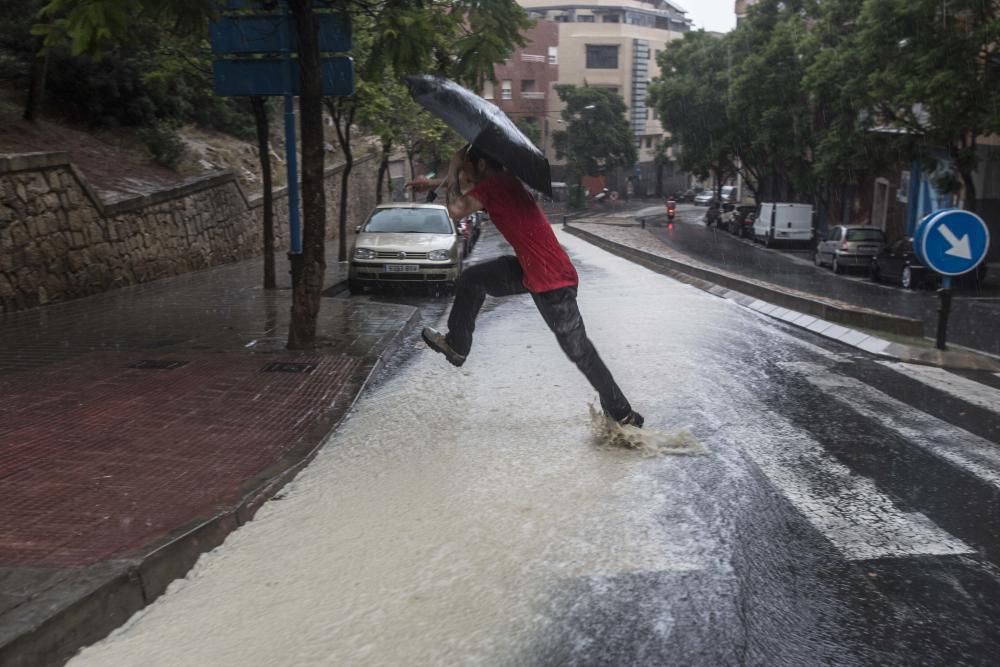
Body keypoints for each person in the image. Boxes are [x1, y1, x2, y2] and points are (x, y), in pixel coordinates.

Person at [406, 145, 643, 428]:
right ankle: (457, 345)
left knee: (580, 352)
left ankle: (623, 415)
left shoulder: (493, 187)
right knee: (473, 279)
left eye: (468, 168)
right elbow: (466, 186)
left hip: (553, 280)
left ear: (481, 166)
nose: (465, 176)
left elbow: (455, 209)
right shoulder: (501, 182)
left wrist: (455, 164)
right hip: (530, 270)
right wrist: (434, 182)